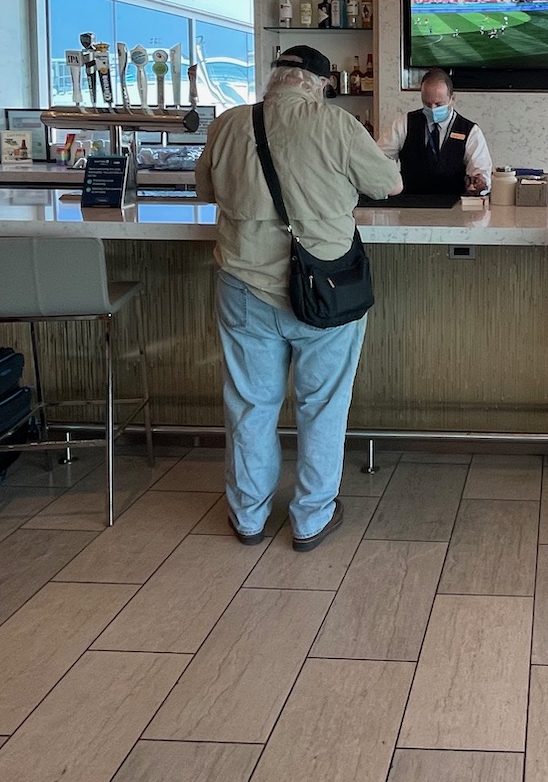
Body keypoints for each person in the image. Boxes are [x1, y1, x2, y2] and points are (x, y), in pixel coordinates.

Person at [197, 46, 402, 549]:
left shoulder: (228, 123)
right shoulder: (335, 125)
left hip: (245, 285)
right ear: (318, 83)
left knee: (249, 405)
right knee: (323, 405)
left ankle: (248, 517)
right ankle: (310, 519)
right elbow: (388, 184)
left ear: (277, 80)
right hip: (325, 288)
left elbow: (204, 190)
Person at [383, 68, 491, 197]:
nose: (433, 109)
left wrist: (480, 182)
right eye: (427, 104)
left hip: (455, 207)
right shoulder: (404, 124)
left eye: (439, 104)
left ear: (452, 98)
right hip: (409, 205)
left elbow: (480, 171)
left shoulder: (470, 131)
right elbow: (379, 158)